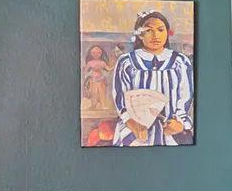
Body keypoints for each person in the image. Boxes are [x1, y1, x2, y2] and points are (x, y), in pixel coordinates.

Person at [111, 10, 194, 146]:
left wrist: (179, 122)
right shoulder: (126, 62)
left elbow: (185, 95)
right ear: (140, 34)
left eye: (161, 30)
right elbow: (120, 96)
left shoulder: (180, 61)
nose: (155, 35)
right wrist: (132, 124)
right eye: (149, 30)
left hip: (171, 129)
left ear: (167, 33)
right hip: (134, 129)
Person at [81, 44, 112, 111]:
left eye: (99, 53)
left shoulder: (102, 62)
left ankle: (103, 106)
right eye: (93, 53)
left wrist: (115, 65)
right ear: (90, 53)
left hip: (101, 78)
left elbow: (108, 69)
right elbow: (85, 70)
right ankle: (93, 105)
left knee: (102, 92)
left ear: (102, 53)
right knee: (93, 92)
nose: (96, 54)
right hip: (93, 79)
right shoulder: (90, 62)